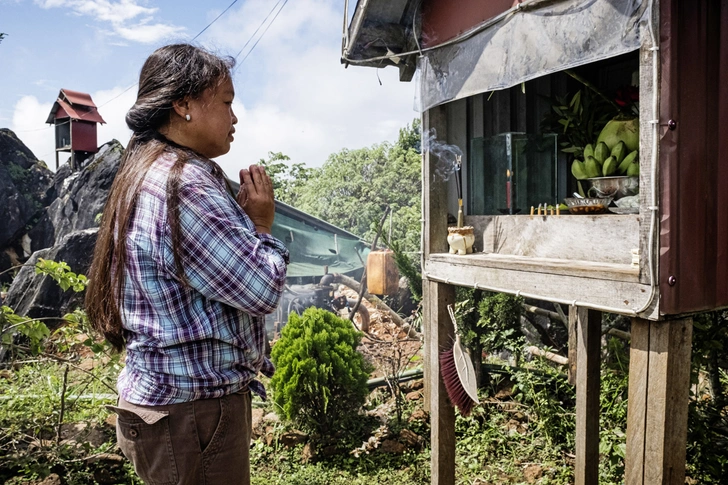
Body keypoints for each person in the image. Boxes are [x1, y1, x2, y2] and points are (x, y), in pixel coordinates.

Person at [85, 43, 289, 485]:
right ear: (182, 104)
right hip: (191, 414)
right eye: (227, 103)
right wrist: (260, 225)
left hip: (167, 407)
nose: (235, 118)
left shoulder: (144, 169)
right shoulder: (183, 185)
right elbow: (261, 289)